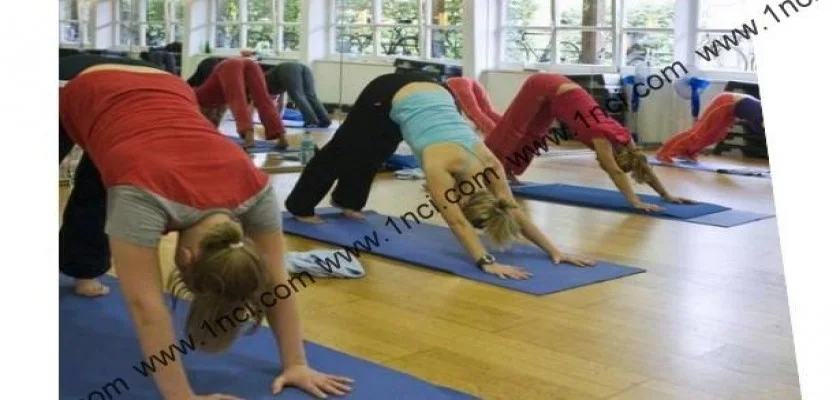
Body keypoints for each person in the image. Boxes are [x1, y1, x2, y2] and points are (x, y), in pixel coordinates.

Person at [59, 54, 352, 400]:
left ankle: (82, 269)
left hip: (159, 89)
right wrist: (182, 397)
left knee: (103, 171)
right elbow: (145, 307)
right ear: (184, 256)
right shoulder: (142, 196)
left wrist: (296, 363)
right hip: (75, 81)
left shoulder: (256, 189)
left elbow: (276, 281)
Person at [285, 73, 594, 280]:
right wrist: (486, 262)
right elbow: (457, 222)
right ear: (465, 199)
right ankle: (301, 207)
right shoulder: (440, 168)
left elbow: (510, 209)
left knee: (379, 148)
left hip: (438, 91)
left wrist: (555, 251)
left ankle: (348, 201)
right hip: (387, 89)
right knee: (344, 146)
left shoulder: (491, 164)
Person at [483, 73, 693, 212]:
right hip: (542, 84)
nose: (605, 163)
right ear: (615, 155)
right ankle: (487, 170)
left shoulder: (623, 136)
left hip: (561, 93)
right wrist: (635, 202)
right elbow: (615, 172)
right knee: (515, 129)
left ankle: (508, 171)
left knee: (536, 134)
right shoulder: (601, 137)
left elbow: (641, 163)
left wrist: (666, 195)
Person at [192, 57, 286, 148]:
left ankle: (249, 138)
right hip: (250, 63)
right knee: (263, 98)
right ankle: (282, 138)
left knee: (237, 98)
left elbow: (233, 103)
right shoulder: (208, 97)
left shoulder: (194, 98)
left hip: (229, 66)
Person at [656, 92, 763, 163]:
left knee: (716, 136)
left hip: (733, 110)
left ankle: (688, 153)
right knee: (698, 133)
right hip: (725, 102)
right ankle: (665, 153)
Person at [264, 62, 332, 128]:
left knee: (297, 96)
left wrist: (274, 119)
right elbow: (281, 103)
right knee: (311, 96)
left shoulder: (264, 87)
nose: (274, 101)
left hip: (287, 70)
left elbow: (274, 104)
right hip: (302, 67)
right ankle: (325, 120)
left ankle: (311, 121)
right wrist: (278, 119)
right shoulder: (275, 85)